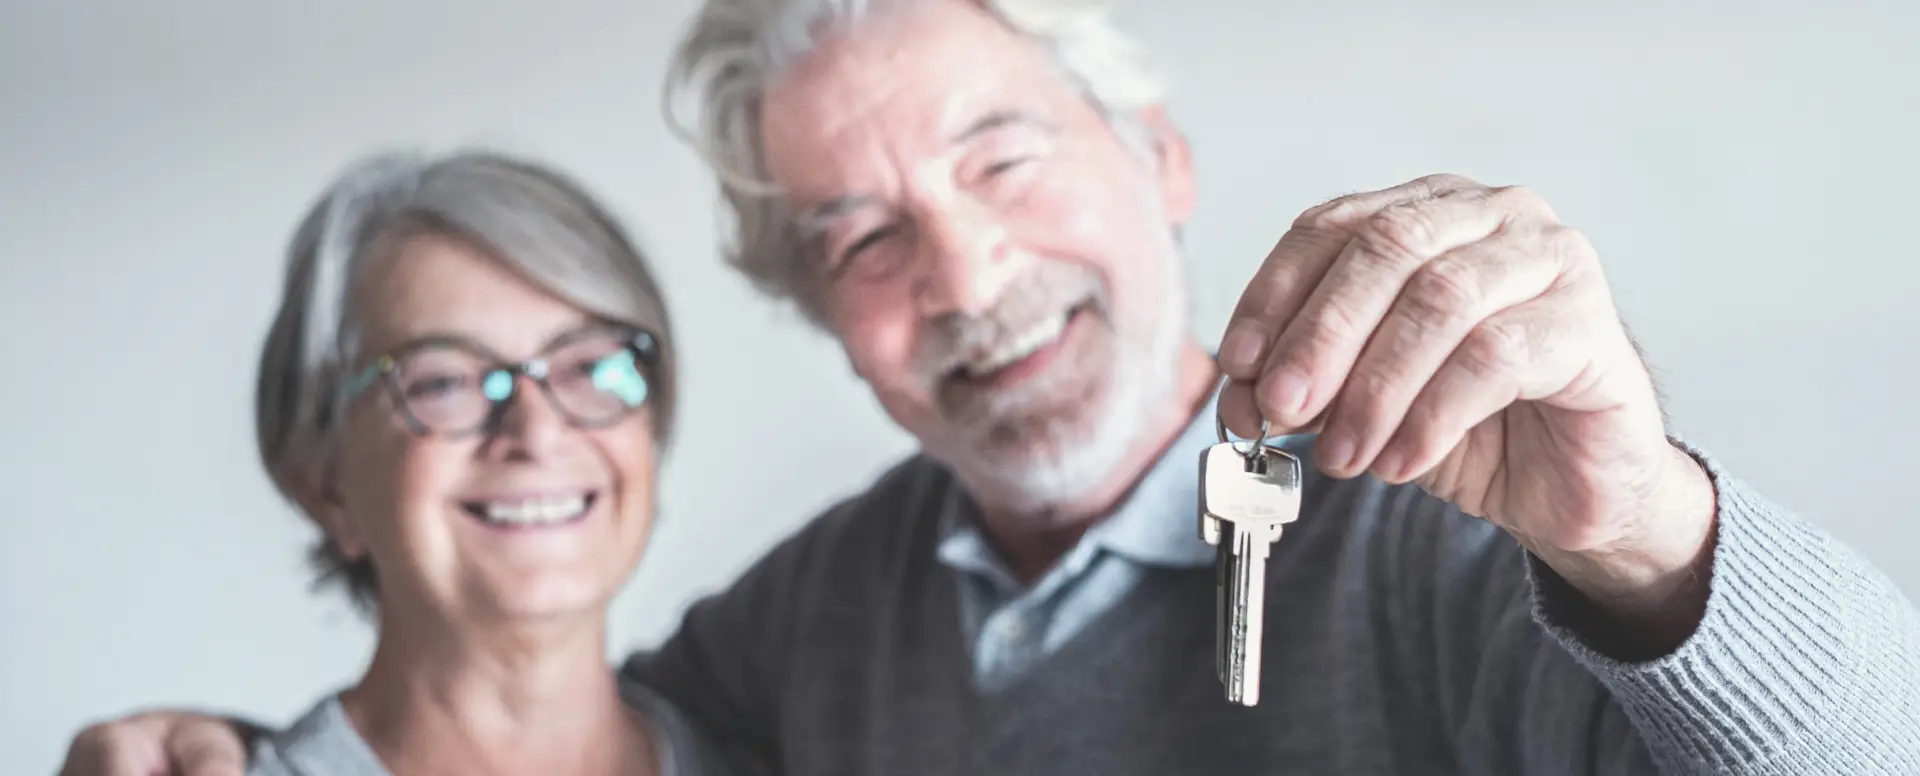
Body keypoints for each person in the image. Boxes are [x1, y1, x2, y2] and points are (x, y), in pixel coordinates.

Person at [61, 1, 1920, 774]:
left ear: (1159, 159)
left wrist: (1647, 533)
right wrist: (252, 750)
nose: (962, 277)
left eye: (1005, 157)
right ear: (815, 309)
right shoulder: (812, 623)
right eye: (862, 235)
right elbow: (547, 722)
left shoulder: (1452, 531)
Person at [83, 149, 717, 776]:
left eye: (591, 367)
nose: (537, 431)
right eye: (444, 382)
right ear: (324, 482)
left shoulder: (762, 748)